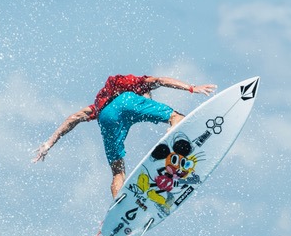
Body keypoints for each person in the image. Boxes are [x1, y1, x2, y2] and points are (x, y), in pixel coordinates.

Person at [33, 74, 216, 198]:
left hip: (105, 117)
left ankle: (118, 202)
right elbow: (161, 80)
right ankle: (172, 130)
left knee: (118, 171)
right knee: (176, 117)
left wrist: (49, 143)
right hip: (126, 102)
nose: (148, 102)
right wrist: (191, 88)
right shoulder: (138, 86)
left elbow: (74, 118)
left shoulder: (98, 104)